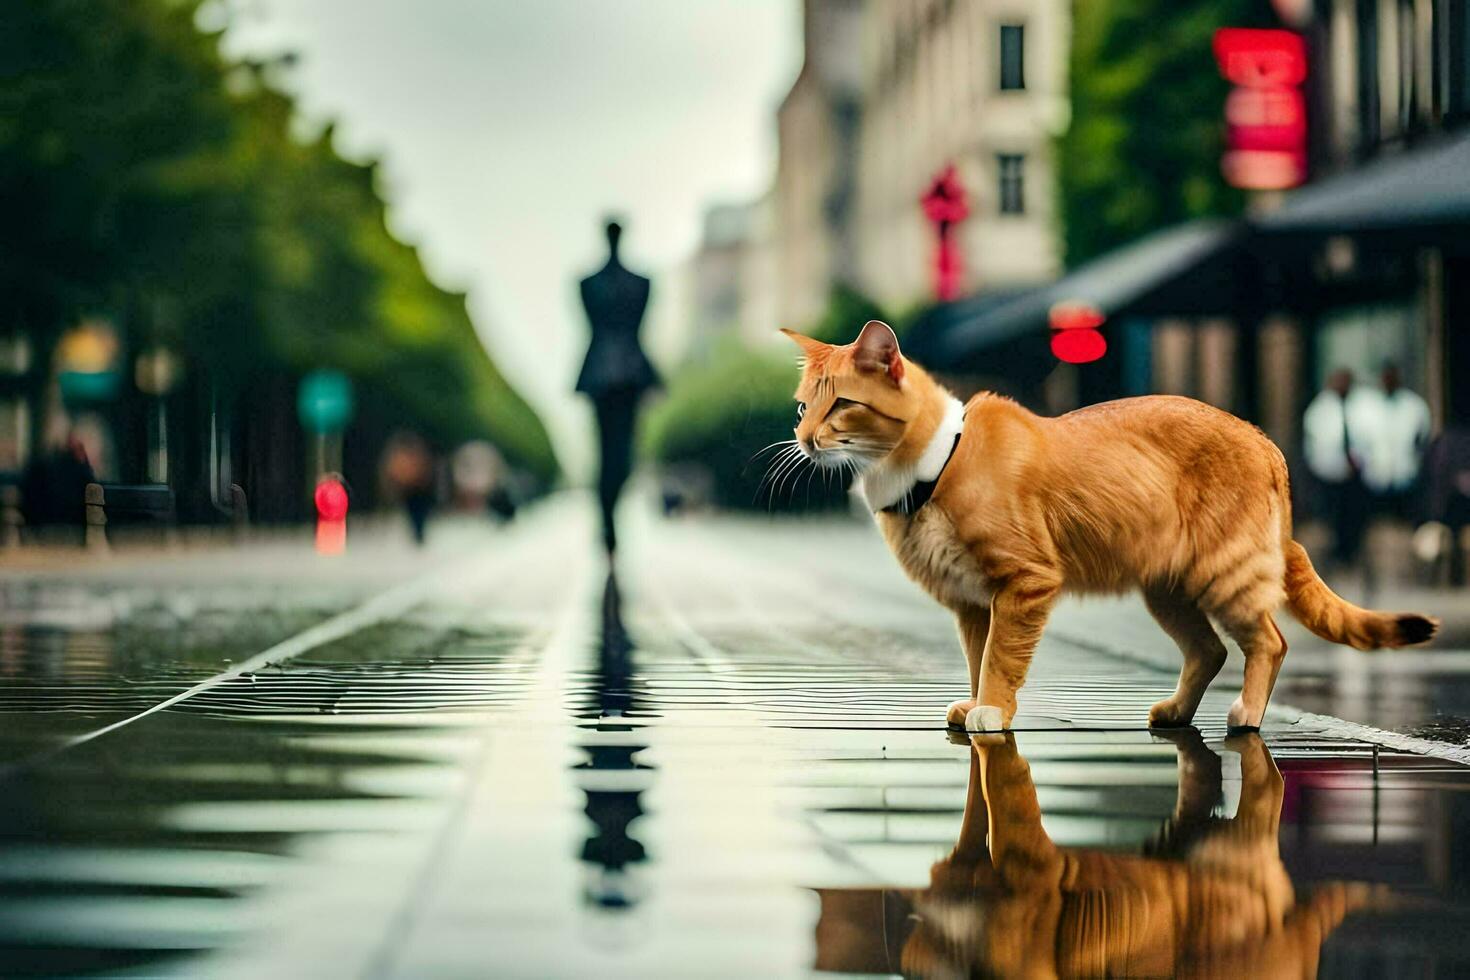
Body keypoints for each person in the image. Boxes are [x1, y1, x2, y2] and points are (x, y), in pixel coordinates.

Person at [575, 219, 660, 554]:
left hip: (626, 377)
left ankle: (608, 515)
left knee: (623, 457)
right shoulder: (588, 284)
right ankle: (607, 521)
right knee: (607, 454)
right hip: (604, 376)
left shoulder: (641, 283)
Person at [1302, 368, 1368, 567]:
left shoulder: (1362, 407)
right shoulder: (1320, 410)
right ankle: (1336, 556)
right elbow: (1318, 446)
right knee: (1333, 518)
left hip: (1356, 476)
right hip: (1329, 476)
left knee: (1354, 516)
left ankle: (1351, 553)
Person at [1354, 360, 1431, 519]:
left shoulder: (1414, 406)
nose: (1388, 381)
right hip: (1374, 479)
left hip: (1406, 478)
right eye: (1385, 377)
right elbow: (1359, 442)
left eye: (1392, 377)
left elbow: (1422, 441)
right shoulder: (1366, 407)